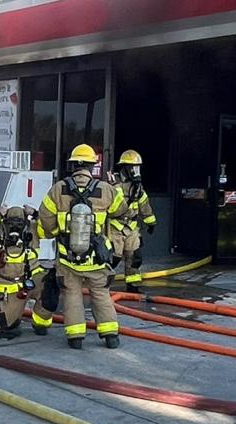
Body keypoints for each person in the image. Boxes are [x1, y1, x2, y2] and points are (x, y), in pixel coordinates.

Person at [37, 144, 128, 349]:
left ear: (72, 165)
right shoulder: (105, 189)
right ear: (92, 165)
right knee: (101, 295)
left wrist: (53, 232)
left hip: (68, 258)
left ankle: (76, 338)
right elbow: (121, 210)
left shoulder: (58, 189)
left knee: (72, 295)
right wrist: (116, 187)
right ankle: (110, 335)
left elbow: (45, 216)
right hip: (97, 259)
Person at [0, 206, 54, 339]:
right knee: (8, 328)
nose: (15, 227)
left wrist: (35, 214)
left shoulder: (33, 227)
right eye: (11, 222)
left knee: (51, 287)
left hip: (33, 277)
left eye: (19, 223)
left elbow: (51, 229)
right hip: (9, 284)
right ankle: (11, 317)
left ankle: (41, 323)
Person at [107, 150, 157, 293]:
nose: (135, 171)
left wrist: (150, 221)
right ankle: (101, 288)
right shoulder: (112, 183)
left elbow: (144, 204)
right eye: (132, 168)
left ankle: (133, 287)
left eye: (137, 168)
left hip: (132, 227)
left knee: (135, 257)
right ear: (124, 168)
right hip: (115, 226)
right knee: (112, 258)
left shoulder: (138, 186)